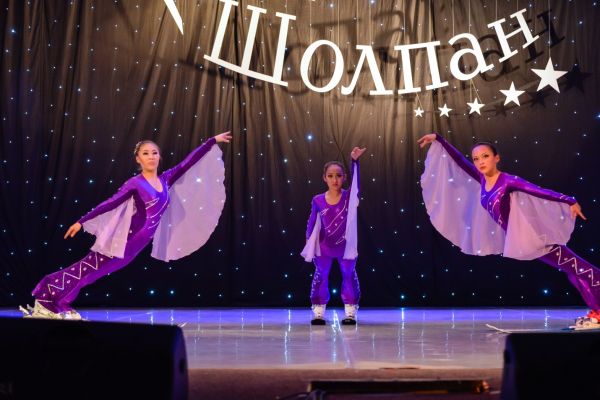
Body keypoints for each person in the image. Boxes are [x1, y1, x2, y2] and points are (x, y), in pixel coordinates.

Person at [21, 131, 232, 319]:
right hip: (124, 239)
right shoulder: (135, 183)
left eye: (154, 153)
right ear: (138, 159)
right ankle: (46, 298)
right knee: (87, 268)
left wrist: (211, 141)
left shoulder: (165, 179)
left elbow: (187, 163)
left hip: (136, 246)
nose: (151, 156)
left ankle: (55, 302)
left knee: (92, 273)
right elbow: (111, 202)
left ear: (159, 157)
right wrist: (82, 221)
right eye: (146, 153)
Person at [418, 133, 600, 329]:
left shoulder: (507, 181)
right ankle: (596, 312)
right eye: (476, 159)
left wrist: (569, 200)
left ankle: (598, 313)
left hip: (536, 237)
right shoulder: (481, 179)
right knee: (572, 271)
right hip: (524, 239)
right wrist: (439, 139)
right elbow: (460, 161)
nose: (480, 162)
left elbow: (538, 190)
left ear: (496, 158)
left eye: (485, 156)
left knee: (582, 270)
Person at [302, 147, 366, 325]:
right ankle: (318, 312)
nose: (335, 179)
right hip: (324, 246)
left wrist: (355, 162)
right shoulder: (318, 200)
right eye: (330, 176)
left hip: (346, 246)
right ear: (324, 178)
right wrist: (309, 241)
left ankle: (350, 312)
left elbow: (356, 185)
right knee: (321, 275)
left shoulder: (349, 197)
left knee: (348, 275)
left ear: (344, 177)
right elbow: (312, 221)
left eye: (338, 175)